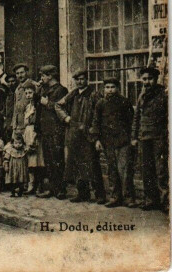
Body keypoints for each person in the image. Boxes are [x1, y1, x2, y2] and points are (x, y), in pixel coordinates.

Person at [55, 70, 106, 204]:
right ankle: (83, 193)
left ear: (87, 80)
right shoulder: (73, 94)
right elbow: (58, 105)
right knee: (77, 165)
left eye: (82, 79)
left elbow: (100, 112)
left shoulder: (94, 94)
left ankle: (100, 194)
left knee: (93, 164)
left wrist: (94, 130)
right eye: (77, 80)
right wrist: (66, 118)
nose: (79, 82)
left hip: (88, 134)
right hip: (74, 135)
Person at [92, 78, 136, 208]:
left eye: (112, 87)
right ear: (103, 89)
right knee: (112, 170)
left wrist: (130, 138)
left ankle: (129, 198)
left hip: (123, 141)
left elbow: (131, 121)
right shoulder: (100, 104)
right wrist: (97, 139)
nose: (109, 90)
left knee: (125, 170)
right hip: (107, 141)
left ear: (117, 88)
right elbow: (96, 122)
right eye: (107, 87)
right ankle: (115, 197)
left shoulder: (124, 102)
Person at [131, 66, 168, 212]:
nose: (147, 82)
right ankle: (150, 200)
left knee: (161, 170)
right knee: (146, 170)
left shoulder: (163, 95)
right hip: (143, 138)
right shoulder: (142, 96)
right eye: (144, 79)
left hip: (159, 138)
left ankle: (165, 201)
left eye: (150, 79)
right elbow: (136, 118)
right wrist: (134, 137)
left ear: (156, 79)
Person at [36, 65, 69, 199]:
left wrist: (47, 103)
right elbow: (36, 102)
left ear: (50, 76)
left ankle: (61, 189)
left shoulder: (61, 90)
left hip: (56, 130)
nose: (41, 78)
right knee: (49, 160)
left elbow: (60, 108)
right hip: (46, 129)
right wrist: (38, 90)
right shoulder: (44, 89)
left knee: (57, 159)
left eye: (43, 75)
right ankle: (52, 188)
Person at [21, 82, 44, 195]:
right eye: (26, 93)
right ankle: (31, 184)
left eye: (30, 92)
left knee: (37, 160)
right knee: (29, 160)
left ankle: (40, 185)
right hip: (28, 132)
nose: (28, 95)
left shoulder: (37, 106)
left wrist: (35, 136)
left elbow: (37, 121)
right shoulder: (27, 107)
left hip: (35, 133)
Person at [11, 64, 38, 142]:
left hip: (28, 124)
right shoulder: (17, 89)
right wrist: (14, 124)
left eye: (22, 72)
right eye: (17, 73)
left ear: (26, 72)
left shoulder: (33, 85)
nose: (20, 75)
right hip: (18, 125)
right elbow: (15, 107)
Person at [2, 73, 17, 143]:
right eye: (9, 82)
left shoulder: (18, 92)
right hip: (8, 122)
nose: (11, 83)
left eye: (13, 81)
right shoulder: (7, 94)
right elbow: (5, 110)